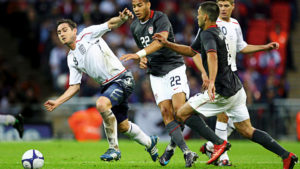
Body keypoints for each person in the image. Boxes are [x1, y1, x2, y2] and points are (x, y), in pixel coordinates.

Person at [152, 2, 298, 169]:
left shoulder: (209, 33)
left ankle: (218, 144)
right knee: (247, 130)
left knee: (181, 112)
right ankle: (287, 155)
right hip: (235, 87)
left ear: (205, 16)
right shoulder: (211, 30)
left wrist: (211, 80)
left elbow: (212, 57)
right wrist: (168, 44)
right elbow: (192, 51)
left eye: (199, 14)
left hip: (222, 89)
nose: (196, 16)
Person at [44, 9, 159, 162]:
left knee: (101, 104)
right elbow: (74, 86)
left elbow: (110, 24)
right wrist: (57, 102)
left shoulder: (87, 34)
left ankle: (114, 149)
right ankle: (150, 143)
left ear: (74, 30)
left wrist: (122, 18)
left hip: (122, 79)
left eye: (65, 30)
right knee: (123, 126)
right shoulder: (71, 58)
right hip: (107, 87)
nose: (61, 34)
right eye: (59, 32)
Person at [200, 0, 282, 166]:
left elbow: (242, 47)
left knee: (237, 121)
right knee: (223, 115)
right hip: (218, 76)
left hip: (233, 75)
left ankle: (211, 145)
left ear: (233, 7)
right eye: (220, 6)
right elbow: (197, 49)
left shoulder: (236, 24)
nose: (222, 9)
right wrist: (205, 75)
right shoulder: (210, 22)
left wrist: (264, 47)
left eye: (226, 6)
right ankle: (222, 157)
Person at [120, 0, 198, 167]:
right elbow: (146, 51)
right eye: (134, 6)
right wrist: (143, 60)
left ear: (148, 4)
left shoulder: (160, 18)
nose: (137, 9)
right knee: (165, 112)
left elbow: (160, 41)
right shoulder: (134, 27)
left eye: (140, 5)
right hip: (155, 73)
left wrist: (139, 54)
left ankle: (170, 146)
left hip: (173, 67)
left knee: (180, 111)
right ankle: (186, 152)